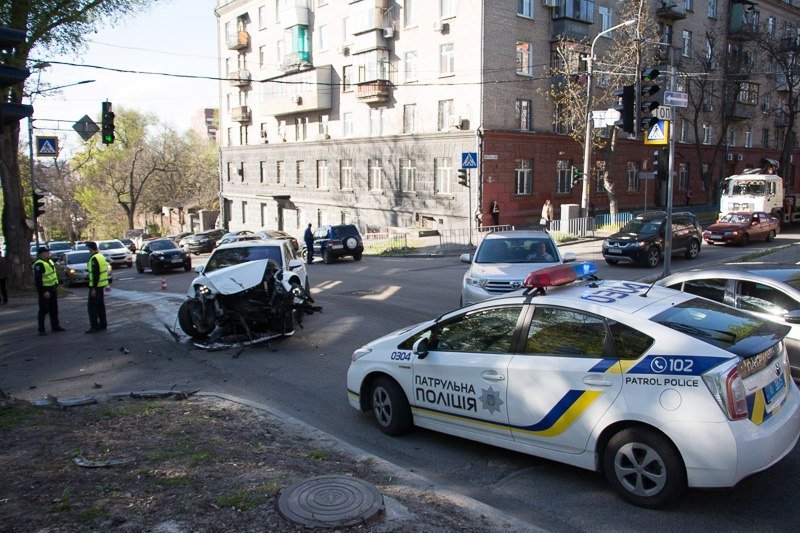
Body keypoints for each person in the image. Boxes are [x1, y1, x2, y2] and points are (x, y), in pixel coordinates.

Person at [33, 246, 65, 335]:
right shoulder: (39, 264)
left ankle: (55, 326)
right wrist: (43, 291)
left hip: (52, 287)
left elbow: (52, 274)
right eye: (47, 252)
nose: (48, 253)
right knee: (44, 309)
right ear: (42, 254)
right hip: (46, 289)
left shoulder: (49, 261)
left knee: (54, 308)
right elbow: (38, 280)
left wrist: (56, 285)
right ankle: (41, 329)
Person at [85, 241, 109, 333]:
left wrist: (93, 288)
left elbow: (96, 274)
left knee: (92, 307)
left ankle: (94, 326)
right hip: (101, 285)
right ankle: (103, 324)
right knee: (100, 306)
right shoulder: (101, 256)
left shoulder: (94, 258)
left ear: (90, 248)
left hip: (96, 286)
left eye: (88, 248)